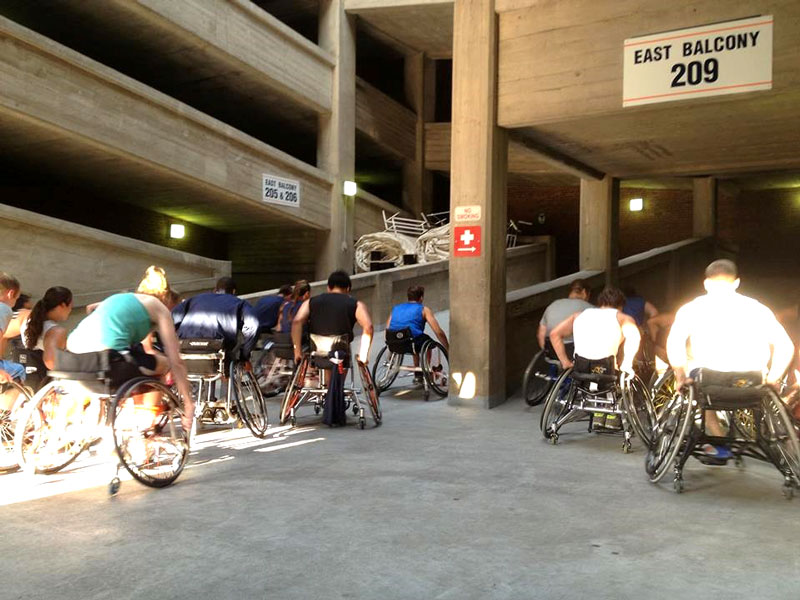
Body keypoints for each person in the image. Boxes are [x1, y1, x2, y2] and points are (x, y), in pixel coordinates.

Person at [666, 259, 794, 460]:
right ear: (736, 283)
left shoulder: (692, 308)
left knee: (695, 375)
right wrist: (773, 379)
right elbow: (786, 346)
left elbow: (675, 343)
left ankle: (718, 441)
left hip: (710, 384)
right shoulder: (758, 309)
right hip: (752, 382)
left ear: (706, 284)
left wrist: (680, 376)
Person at [67, 266, 194, 428]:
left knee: (141, 361)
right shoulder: (160, 309)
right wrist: (188, 404)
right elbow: (176, 361)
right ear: (166, 298)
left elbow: (90, 308)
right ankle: (146, 423)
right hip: (108, 355)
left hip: (73, 349)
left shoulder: (123, 297)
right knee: (165, 364)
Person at [550, 287, 641, 430]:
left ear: (600, 302)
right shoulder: (622, 318)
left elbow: (554, 334)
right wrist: (627, 364)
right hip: (607, 370)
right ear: (621, 305)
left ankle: (598, 410)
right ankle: (611, 415)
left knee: (596, 375)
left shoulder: (578, 316)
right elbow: (635, 337)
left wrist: (565, 362)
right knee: (619, 374)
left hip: (580, 369)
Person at [291, 271, 374, 425]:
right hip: (340, 353)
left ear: (328, 287)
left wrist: (297, 351)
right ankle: (335, 398)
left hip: (317, 353)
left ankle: (330, 398)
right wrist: (363, 355)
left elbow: (296, 322)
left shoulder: (311, 302)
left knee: (328, 359)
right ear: (348, 288)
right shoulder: (355, 304)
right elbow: (368, 326)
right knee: (338, 355)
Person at [171, 276, 260, 360]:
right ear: (233, 292)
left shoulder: (195, 299)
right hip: (218, 347)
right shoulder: (240, 303)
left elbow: (172, 318)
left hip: (186, 345)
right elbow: (253, 326)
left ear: (215, 290)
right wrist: (244, 355)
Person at [386, 285, 449, 382]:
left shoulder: (396, 309)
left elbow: (388, 327)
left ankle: (417, 373)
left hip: (393, 342)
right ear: (421, 298)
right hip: (412, 342)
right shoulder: (423, 309)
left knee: (414, 338)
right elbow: (438, 331)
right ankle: (429, 372)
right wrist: (447, 348)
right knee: (429, 343)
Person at [21, 286, 73, 369]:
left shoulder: (29, 320)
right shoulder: (56, 331)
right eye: (71, 306)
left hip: (25, 371)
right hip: (43, 377)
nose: (71, 310)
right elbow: (51, 362)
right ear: (63, 305)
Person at [537, 279, 592, 356]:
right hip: (573, 352)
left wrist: (547, 352)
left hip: (551, 350)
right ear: (584, 292)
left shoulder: (553, 305)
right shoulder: (589, 309)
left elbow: (541, 335)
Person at [0, 273, 26, 412]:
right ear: (10, 294)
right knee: (18, 370)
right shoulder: (3, 308)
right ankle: (5, 415)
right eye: (16, 298)